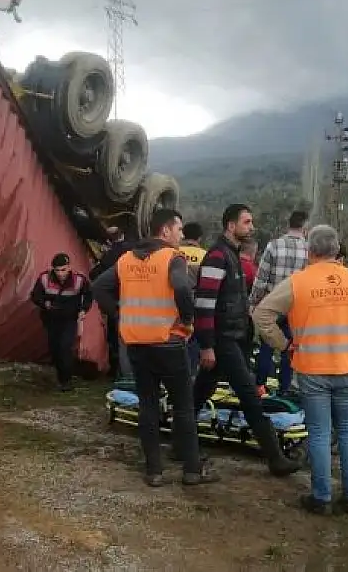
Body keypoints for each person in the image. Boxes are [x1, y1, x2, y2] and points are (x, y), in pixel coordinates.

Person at [253, 225, 348, 515]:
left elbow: (262, 314)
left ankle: (321, 497)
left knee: (318, 432)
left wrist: (284, 345)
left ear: (310, 251)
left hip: (313, 368)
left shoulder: (298, 282)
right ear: (336, 249)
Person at [90, 208, 217, 487]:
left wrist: (119, 314)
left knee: (147, 405)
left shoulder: (125, 260)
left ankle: (154, 471)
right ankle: (193, 470)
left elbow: (98, 286)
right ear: (165, 231)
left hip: (136, 343)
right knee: (183, 406)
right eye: (179, 229)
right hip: (169, 342)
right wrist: (187, 319)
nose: (181, 235)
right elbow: (183, 288)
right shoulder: (172, 258)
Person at [194, 204, 299, 478]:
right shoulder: (218, 256)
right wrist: (206, 345)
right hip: (223, 341)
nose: (251, 227)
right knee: (250, 398)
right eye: (247, 222)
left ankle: (180, 444)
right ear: (231, 225)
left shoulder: (232, 256)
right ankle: (275, 458)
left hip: (233, 339)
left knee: (199, 393)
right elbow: (204, 304)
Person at [249, 210, 309, 396]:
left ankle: (260, 385)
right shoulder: (309, 250)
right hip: (295, 307)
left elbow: (261, 278)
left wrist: (253, 303)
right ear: (305, 227)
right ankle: (284, 388)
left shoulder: (274, 246)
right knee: (289, 348)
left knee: (266, 346)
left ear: (288, 225)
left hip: (272, 305)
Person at [31, 253, 93, 391]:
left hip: (69, 319)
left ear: (69, 267)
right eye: (57, 270)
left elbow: (88, 295)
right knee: (55, 348)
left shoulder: (79, 280)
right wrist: (44, 304)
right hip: (51, 319)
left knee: (65, 347)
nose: (60, 273)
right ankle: (60, 376)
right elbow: (35, 296)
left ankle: (66, 381)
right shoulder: (44, 278)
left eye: (63, 270)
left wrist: (83, 309)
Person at [91, 228, 134, 380]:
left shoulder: (117, 254)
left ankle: (121, 377)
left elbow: (96, 280)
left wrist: (113, 309)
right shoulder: (131, 253)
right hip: (139, 313)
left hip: (120, 305)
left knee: (119, 343)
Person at [178, 222, 206, 376]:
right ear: (199, 238)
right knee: (193, 338)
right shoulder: (204, 255)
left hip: (172, 303)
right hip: (195, 302)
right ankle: (190, 373)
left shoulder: (174, 251)